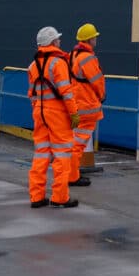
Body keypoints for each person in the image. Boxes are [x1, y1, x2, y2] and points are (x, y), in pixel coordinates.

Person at [27, 26, 79, 209]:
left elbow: (32, 94)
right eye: (57, 39)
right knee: (62, 155)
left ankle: (36, 197)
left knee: (41, 154)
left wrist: (38, 110)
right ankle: (60, 197)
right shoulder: (59, 63)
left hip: (39, 113)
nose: (60, 41)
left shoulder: (33, 65)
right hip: (57, 114)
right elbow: (66, 92)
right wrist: (74, 113)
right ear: (52, 42)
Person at [68, 22, 105, 188]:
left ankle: (70, 173)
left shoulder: (72, 55)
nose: (96, 39)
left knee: (74, 142)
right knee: (79, 144)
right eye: (94, 37)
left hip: (76, 104)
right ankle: (72, 176)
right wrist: (102, 96)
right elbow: (97, 81)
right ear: (90, 40)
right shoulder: (88, 58)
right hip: (87, 106)